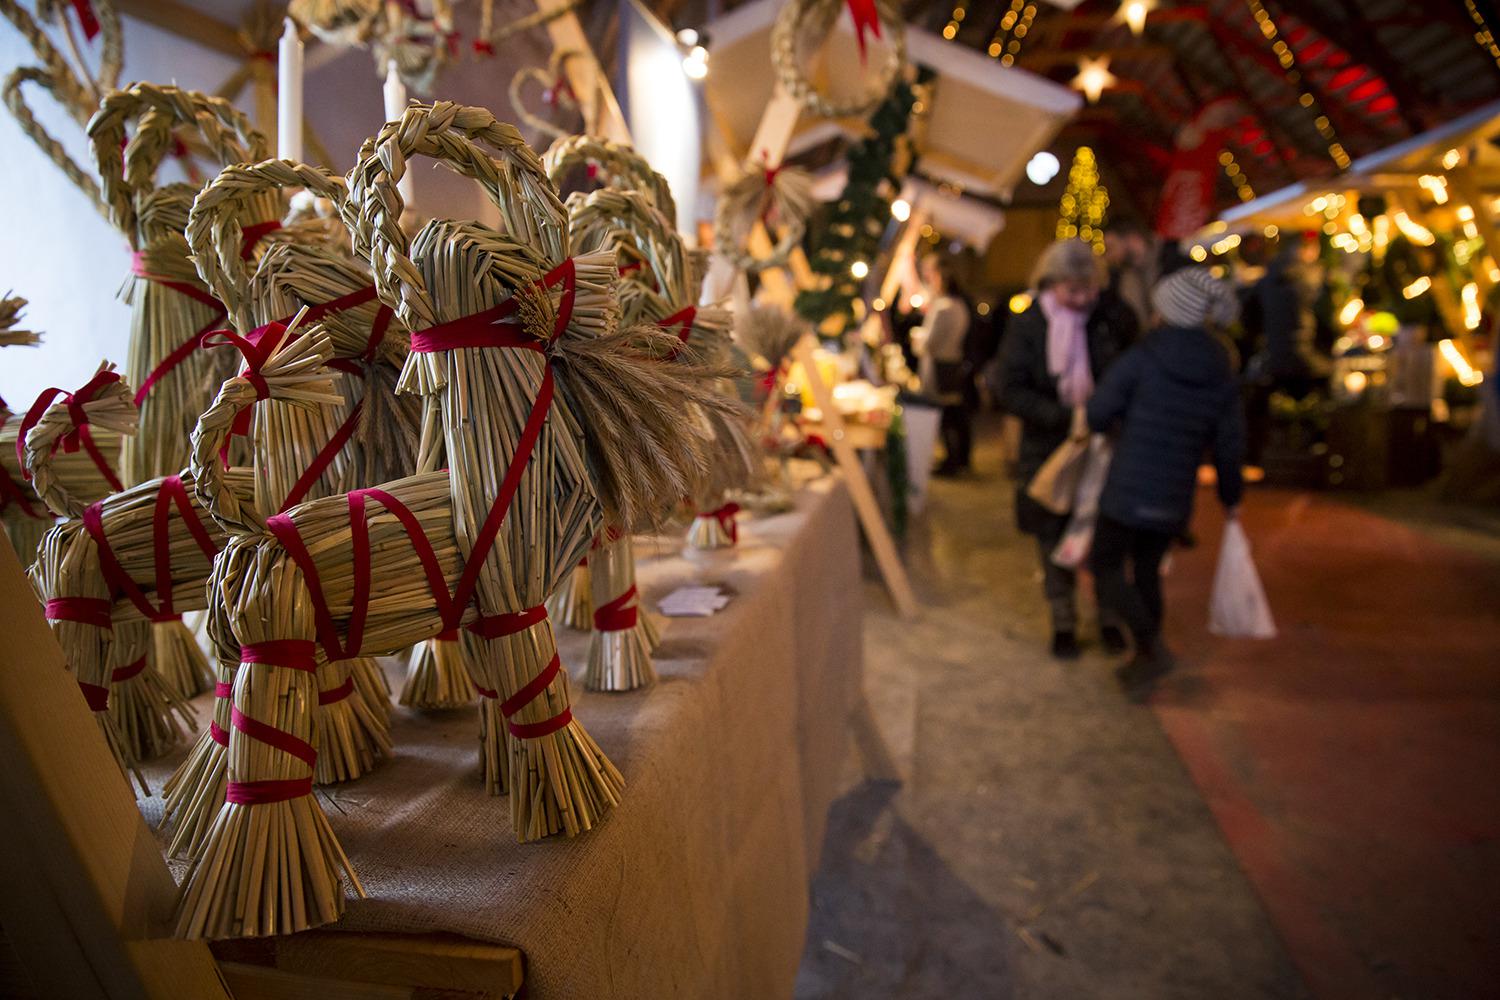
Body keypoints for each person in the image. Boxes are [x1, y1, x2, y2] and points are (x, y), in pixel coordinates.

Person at [1086, 267, 1247, 700]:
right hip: (1175, 495)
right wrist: (1232, 498)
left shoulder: (1144, 356)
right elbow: (1230, 444)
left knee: (1104, 564)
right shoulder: (1221, 368)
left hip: (1128, 488)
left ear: (1166, 310)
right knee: (1147, 572)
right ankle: (1143, 659)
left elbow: (1097, 412)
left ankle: (1151, 646)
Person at [997, 239, 1124, 660]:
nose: (1083, 299)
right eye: (1073, 290)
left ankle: (1110, 617)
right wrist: (1064, 418)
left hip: (1105, 442)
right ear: (1051, 284)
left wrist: (1103, 414)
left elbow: (1125, 370)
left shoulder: (1109, 316)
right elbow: (1009, 387)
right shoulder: (1030, 323)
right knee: (1052, 534)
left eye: (1089, 289)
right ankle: (1064, 620)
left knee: (1104, 533)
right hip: (1049, 444)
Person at [912, 254, 973, 475]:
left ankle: (952, 460)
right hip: (953, 364)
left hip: (941, 367)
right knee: (955, 415)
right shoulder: (959, 306)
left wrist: (916, 338)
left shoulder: (944, 307)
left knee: (947, 416)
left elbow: (929, 343)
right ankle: (959, 459)